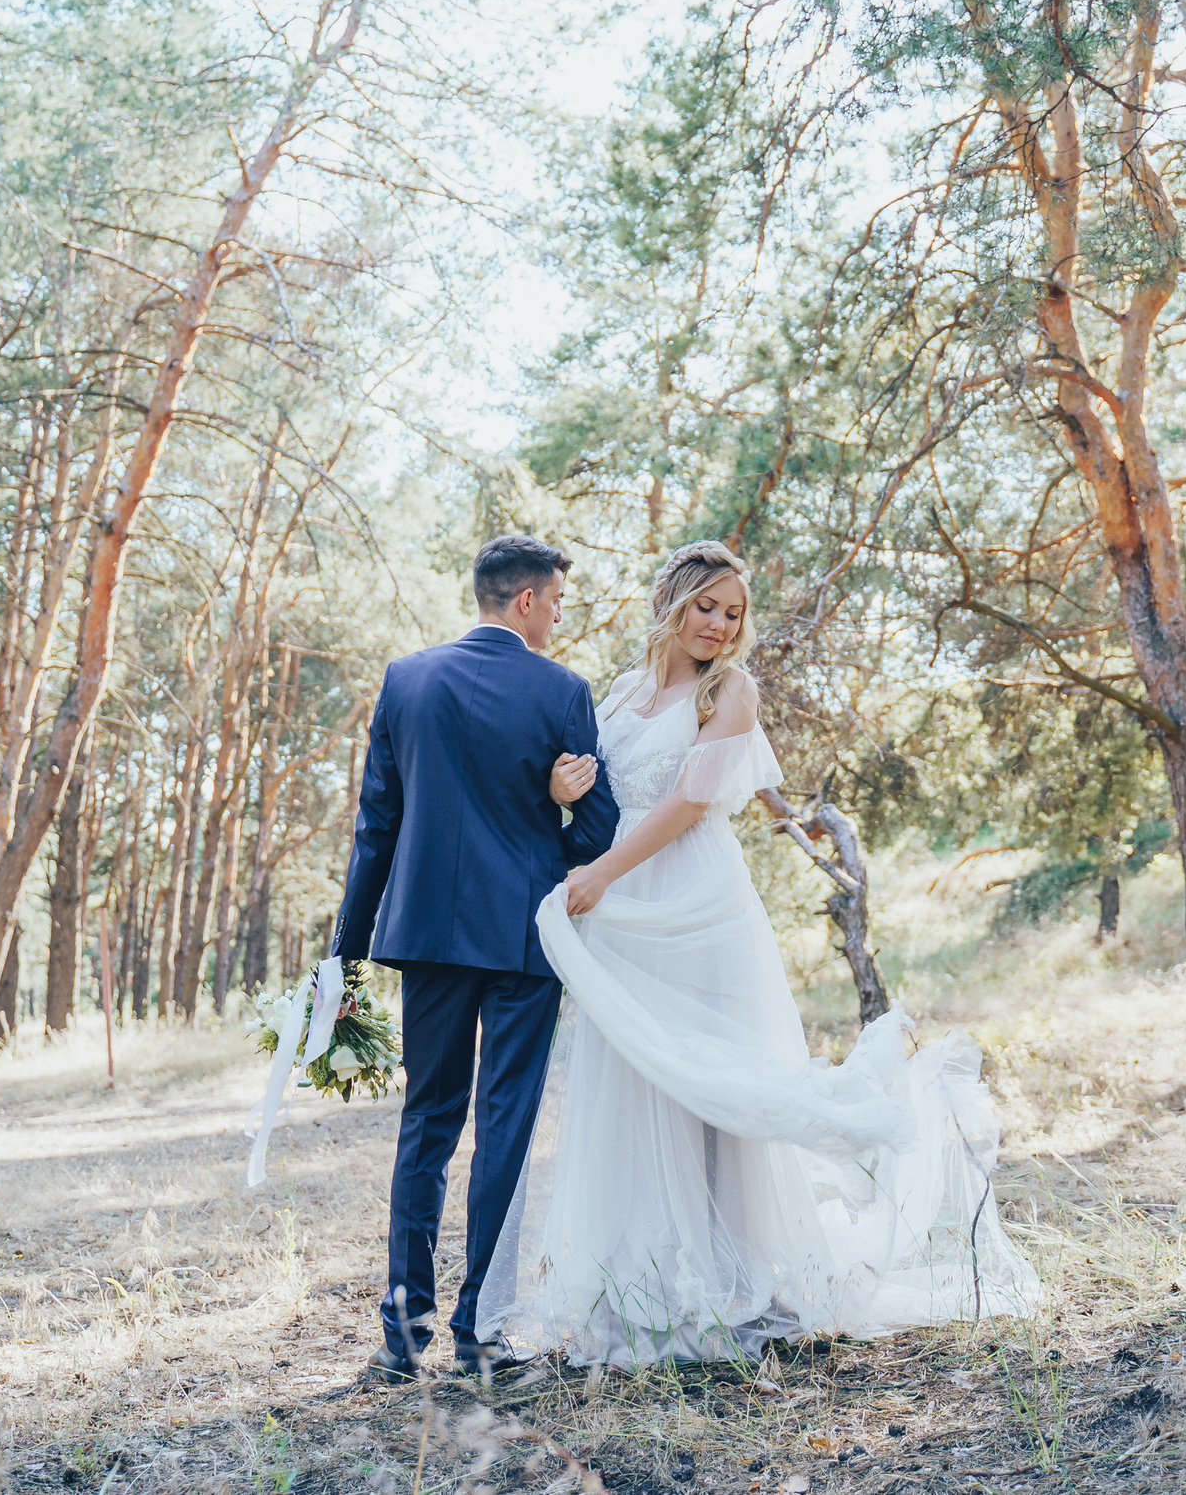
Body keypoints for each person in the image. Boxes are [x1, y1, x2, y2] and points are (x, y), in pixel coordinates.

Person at [473, 540, 1039, 1367]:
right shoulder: (622, 691)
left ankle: (728, 1277)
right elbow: (597, 789)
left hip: (692, 902)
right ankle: (641, 1282)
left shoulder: (730, 689)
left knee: (708, 1082)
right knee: (632, 1077)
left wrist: (597, 871)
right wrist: (568, 795)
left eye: (733, 614)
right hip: (622, 905)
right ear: (673, 598)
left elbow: (693, 801)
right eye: (708, 606)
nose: (720, 625)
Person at [330, 534, 621, 1381]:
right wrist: (557, 804)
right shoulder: (563, 689)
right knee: (504, 1128)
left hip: (425, 936)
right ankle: (480, 1335)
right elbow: (596, 834)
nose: (560, 616)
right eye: (558, 602)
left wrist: (345, 958)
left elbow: (374, 828)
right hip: (523, 939)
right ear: (527, 600)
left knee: (426, 1122)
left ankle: (402, 1334)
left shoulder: (406, 679)